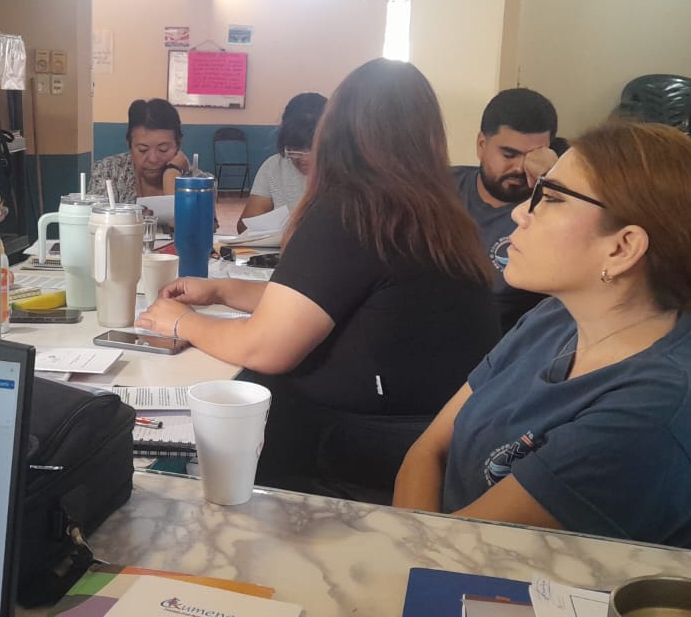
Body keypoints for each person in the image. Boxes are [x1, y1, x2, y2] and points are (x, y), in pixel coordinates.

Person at [136, 59, 500, 500]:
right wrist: (221, 290)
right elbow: (321, 297)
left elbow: (265, 347)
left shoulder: (354, 209)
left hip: (354, 451)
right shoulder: (436, 211)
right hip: (432, 440)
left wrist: (181, 322)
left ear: (334, 132)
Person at [394, 121, 691, 555]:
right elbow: (428, 449)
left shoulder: (651, 413)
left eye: (550, 198)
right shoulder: (557, 317)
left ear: (622, 248)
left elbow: (456, 554)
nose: (519, 213)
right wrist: (414, 544)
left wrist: (408, 551)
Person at [452, 88, 559, 333]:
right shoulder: (440, 189)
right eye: (509, 154)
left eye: (534, 156)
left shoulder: (556, 209)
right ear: (481, 145)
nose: (520, 167)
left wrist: (554, 177)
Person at [236, 92, 326, 233]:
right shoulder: (274, 167)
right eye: (295, 150)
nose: (304, 159)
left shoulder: (346, 172)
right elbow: (245, 226)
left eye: (312, 150)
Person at [90, 98, 206, 202]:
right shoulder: (109, 171)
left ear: (178, 144)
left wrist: (171, 174)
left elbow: (183, 219)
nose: (153, 159)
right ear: (130, 144)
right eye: (143, 150)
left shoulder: (199, 182)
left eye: (163, 149)